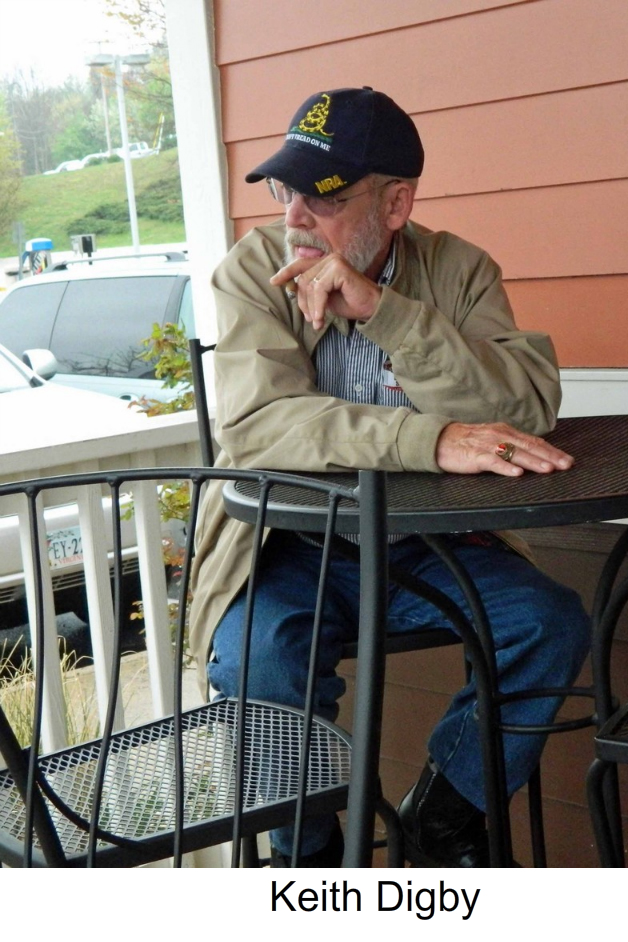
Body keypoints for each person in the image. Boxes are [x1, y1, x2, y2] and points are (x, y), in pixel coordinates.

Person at [190, 87, 591, 867]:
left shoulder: (459, 270)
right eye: (285, 191)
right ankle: (308, 859)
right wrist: (428, 438)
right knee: (259, 661)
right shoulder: (253, 271)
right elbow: (258, 423)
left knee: (547, 625)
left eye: (323, 196)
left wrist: (387, 312)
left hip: (430, 545)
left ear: (396, 202)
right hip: (291, 548)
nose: (294, 218)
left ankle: (443, 820)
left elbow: (529, 405)